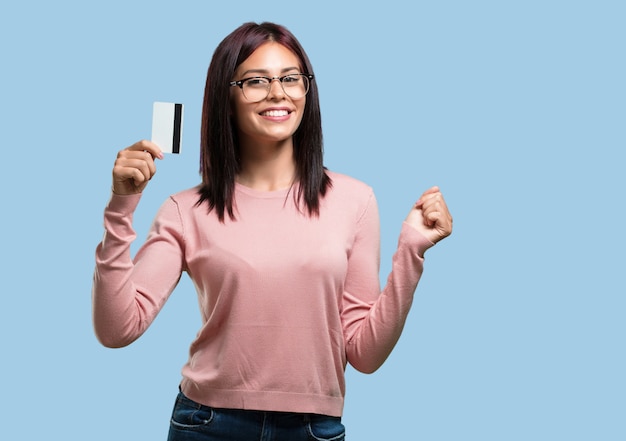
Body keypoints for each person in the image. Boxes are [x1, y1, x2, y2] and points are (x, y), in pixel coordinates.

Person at [92, 21, 452, 441]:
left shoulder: (356, 201)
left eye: (290, 78)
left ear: (306, 90)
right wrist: (121, 207)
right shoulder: (184, 209)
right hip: (206, 425)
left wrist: (411, 251)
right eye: (256, 80)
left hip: (313, 429)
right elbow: (117, 329)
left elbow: (365, 354)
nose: (278, 92)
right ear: (225, 98)